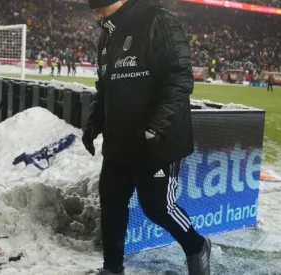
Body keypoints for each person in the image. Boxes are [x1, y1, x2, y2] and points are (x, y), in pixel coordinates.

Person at [82, 0, 211, 274]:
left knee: (157, 207)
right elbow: (104, 86)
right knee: (112, 203)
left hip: (157, 142)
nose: (95, 12)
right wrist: (93, 123)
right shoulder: (107, 34)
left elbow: (179, 80)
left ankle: (196, 245)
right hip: (118, 142)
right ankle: (112, 268)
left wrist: (153, 129)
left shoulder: (158, 20)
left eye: (100, 6)